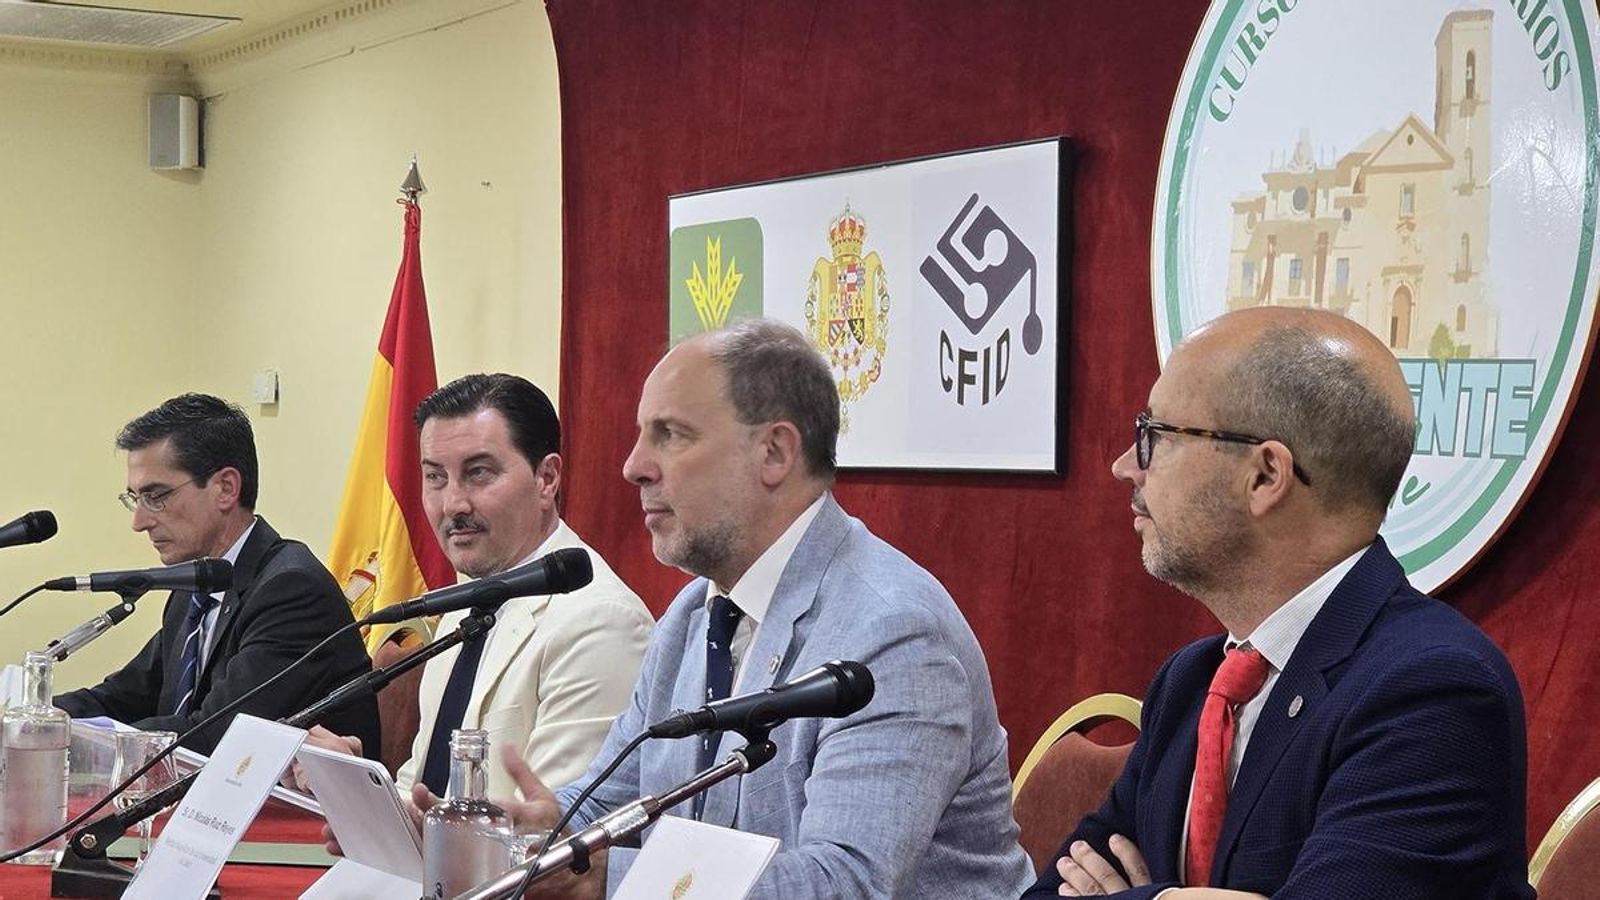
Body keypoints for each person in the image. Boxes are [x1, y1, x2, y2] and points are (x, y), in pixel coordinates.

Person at [490, 319, 1033, 898]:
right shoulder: (693, 616)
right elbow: (611, 798)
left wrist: (609, 881)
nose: (634, 466)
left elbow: (846, 884)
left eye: (670, 434)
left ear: (774, 453)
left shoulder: (892, 633)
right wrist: (515, 832)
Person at [1024, 307, 1532, 898]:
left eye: (1155, 437)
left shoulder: (1433, 689)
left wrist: (1145, 894)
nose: (1124, 467)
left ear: (1266, 475)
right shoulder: (1190, 682)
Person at [310, 373, 652, 799]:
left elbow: (554, 834)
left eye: (478, 474)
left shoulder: (601, 622)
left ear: (546, 479)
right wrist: (356, 791)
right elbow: (422, 788)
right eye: (435, 477)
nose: (453, 504)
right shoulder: (466, 602)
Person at [56, 393, 380, 756]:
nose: (139, 521)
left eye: (156, 496)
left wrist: (82, 743)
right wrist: (37, 720)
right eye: (135, 498)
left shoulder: (292, 590)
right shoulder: (196, 584)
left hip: (297, 809)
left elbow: (214, 737)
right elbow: (124, 697)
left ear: (226, 488)